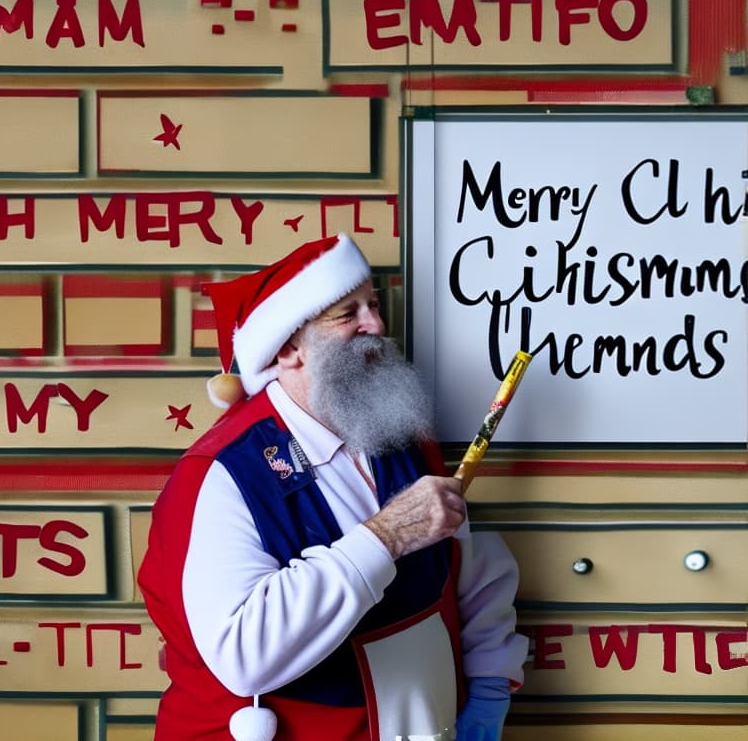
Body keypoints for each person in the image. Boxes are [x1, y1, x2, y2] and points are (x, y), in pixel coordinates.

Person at [138, 233, 528, 741]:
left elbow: (470, 571)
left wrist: (491, 682)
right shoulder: (221, 474)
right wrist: (385, 536)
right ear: (288, 348)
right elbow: (243, 654)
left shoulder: (399, 429)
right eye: (348, 314)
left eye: (374, 305)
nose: (377, 326)